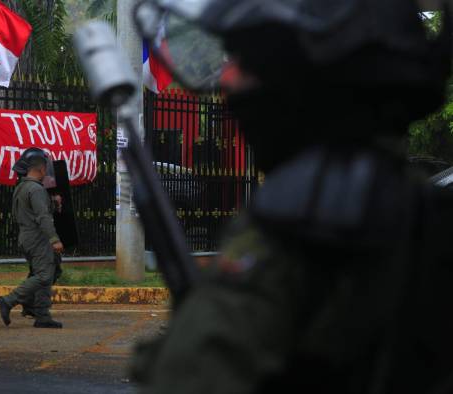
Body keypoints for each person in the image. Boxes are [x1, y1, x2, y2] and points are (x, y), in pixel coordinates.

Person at [130, 0, 453, 392]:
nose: (228, 79)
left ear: (308, 80)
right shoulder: (422, 212)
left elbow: (188, 375)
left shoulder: (301, 223)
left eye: (249, 62)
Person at [0, 148, 65, 329]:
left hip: (27, 236)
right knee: (43, 276)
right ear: (41, 169)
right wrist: (54, 239)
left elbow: (32, 210)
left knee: (49, 271)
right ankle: (9, 301)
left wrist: (53, 202)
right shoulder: (36, 189)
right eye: (46, 169)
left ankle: (41, 314)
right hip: (37, 238)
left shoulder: (23, 187)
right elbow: (42, 217)